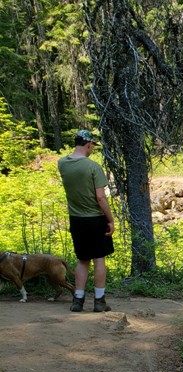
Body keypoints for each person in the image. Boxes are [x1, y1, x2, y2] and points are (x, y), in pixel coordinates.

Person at [57, 129, 115, 312]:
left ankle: (78, 300)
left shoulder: (62, 164)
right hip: (95, 219)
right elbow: (100, 198)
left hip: (76, 219)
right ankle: (99, 301)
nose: (92, 149)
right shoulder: (93, 167)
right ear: (88, 144)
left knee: (83, 260)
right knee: (99, 259)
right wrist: (111, 220)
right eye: (92, 146)